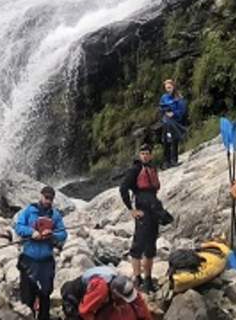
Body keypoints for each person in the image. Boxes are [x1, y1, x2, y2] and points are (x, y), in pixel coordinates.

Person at [118, 143, 169, 291]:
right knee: (138, 245)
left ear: (151, 155)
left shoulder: (152, 168)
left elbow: (154, 189)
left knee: (151, 245)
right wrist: (131, 209)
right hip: (142, 209)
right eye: (142, 153)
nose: (145, 156)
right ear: (139, 155)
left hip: (153, 209)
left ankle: (148, 279)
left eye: (147, 153)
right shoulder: (135, 170)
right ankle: (137, 277)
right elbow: (123, 188)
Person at [14, 185, 69, 320]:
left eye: (50, 199)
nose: (48, 201)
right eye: (46, 198)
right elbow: (18, 226)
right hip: (29, 259)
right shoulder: (29, 210)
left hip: (46, 260)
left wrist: (52, 235)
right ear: (41, 196)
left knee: (45, 294)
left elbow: (63, 233)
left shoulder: (55, 215)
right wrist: (31, 232)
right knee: (27, 296)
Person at [76, 272, 153, 320]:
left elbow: (139, 303)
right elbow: (84, 312)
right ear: (115, 294)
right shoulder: (100, 291)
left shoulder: (125, 285)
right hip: (77, 297)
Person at [156, 80, 190, 166]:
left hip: (175, 121)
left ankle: (174, 160)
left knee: (174, 140)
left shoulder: (179, 97)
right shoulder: (164, 97)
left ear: (173, 87)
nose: (168, 90)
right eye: (166, 88)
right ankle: (166, 162)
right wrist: (165, 112)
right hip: (166, 121)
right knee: (166, 141)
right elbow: (160, 108)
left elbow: (182, 111)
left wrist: (173, 113)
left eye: (169, 87)